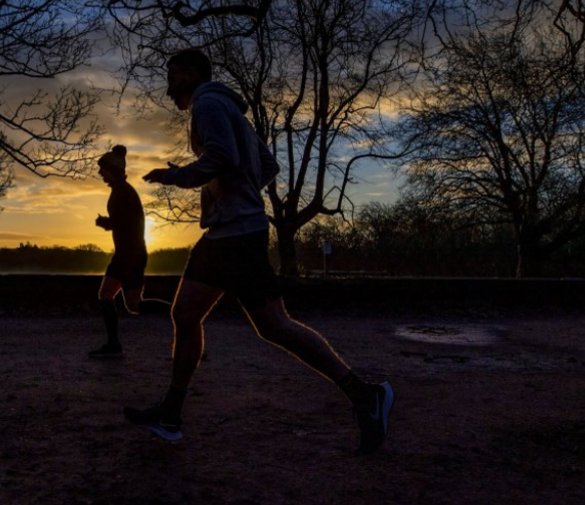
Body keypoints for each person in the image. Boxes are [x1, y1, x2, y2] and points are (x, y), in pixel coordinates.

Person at [124, 49, 394, 453]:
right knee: (186, 313)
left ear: (195, 73)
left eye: (174, 75)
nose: (169, 87)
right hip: (226, 234)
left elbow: (222, 158)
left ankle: (364, 393)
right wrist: (231, 192)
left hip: (236, 237)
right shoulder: (232, 111)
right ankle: (171, 414)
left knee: (273, 325)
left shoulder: (208, 104)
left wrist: (177, 175)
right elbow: (267, 166)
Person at [89, 145, 170, 359]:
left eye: (103, 169)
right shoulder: (121, 191)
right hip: (126, 255)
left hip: (131, 256)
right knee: (113, 297)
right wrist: (108, 223)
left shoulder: (123, 192)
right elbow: (125, 223)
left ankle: (185, 314)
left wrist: (105, 222)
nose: (100, 173)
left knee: (131, 304)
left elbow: (123, 223)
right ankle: (113, 344)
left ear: (113, 170)